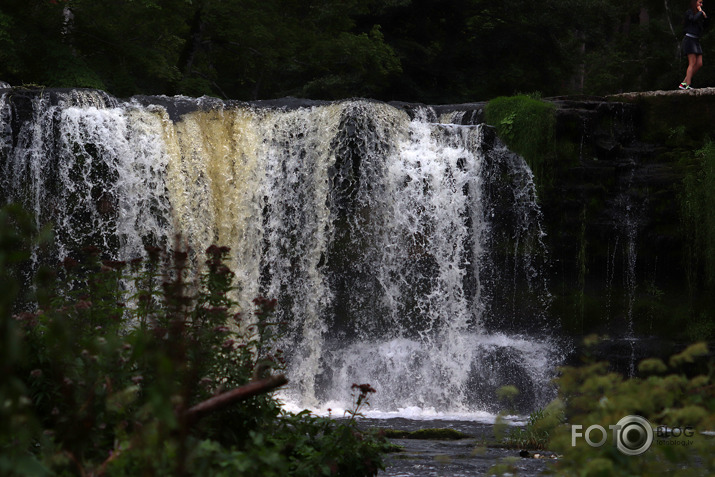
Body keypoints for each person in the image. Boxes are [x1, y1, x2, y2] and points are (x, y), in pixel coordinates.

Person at [680, 0, 708, 89]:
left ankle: (683, 83)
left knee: (699, 63)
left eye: (701, 3)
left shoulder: (699, 14)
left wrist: (704, 16)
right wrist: (700, 12)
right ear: (694, 3)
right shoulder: (689, 12)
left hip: (696, 40)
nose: (701, 5)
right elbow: (693, 19)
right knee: (692, 63)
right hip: (689, 39)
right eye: (699, 2)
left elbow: (704, 26)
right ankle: (687, 85)